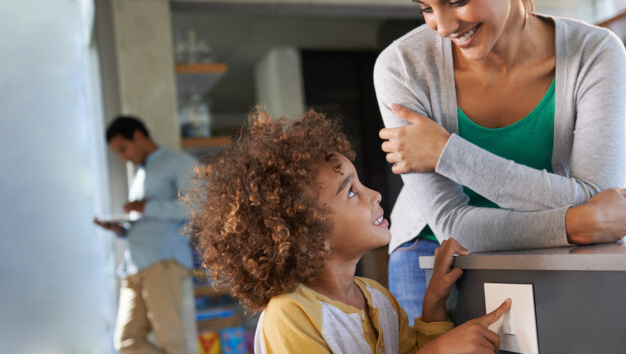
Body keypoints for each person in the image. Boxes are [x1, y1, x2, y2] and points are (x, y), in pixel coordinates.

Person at [374, 0, 626, 320]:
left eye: (457, 1)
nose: (442, 28)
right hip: (432, 251)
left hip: (550, 246)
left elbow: (599, 197)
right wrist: (573, 223)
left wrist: (447, 153)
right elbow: (451, 224)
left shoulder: (593, 52)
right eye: (426, 8)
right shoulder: (402, 65)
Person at [185, 110, 511, 353]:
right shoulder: (290, 315)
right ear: (306, 234)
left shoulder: (378, 299)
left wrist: (434, 302)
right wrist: (439, 351)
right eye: (351, 191)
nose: (375, 194)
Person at [93, 116, 198, 354]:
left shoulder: (178, 162)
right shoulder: (141, 173)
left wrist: (147, 207)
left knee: (171, 341)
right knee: (126, 342)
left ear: (138, 136)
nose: (122, 157)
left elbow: (198, 205)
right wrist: (121, 230)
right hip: (135, 264)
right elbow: (149, 220)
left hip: (163, 262)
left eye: (123, 148)